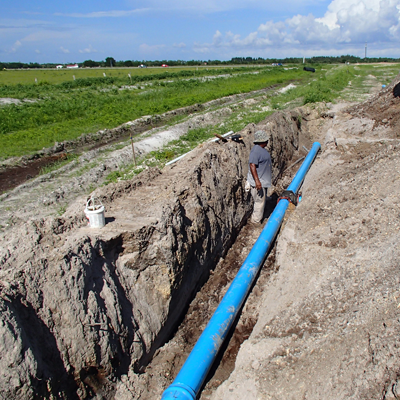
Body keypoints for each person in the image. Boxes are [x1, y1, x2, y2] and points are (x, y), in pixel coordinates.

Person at [246, 130, 272, 223]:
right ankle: (255, 221)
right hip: (258, 183)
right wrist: (257, 181)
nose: (267, 141)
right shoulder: (256, 151)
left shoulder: (260, 150)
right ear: (262, 141)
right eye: (266, 140)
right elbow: (252, 165)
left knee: (262, 200)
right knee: (259, 202)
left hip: (262, 181)